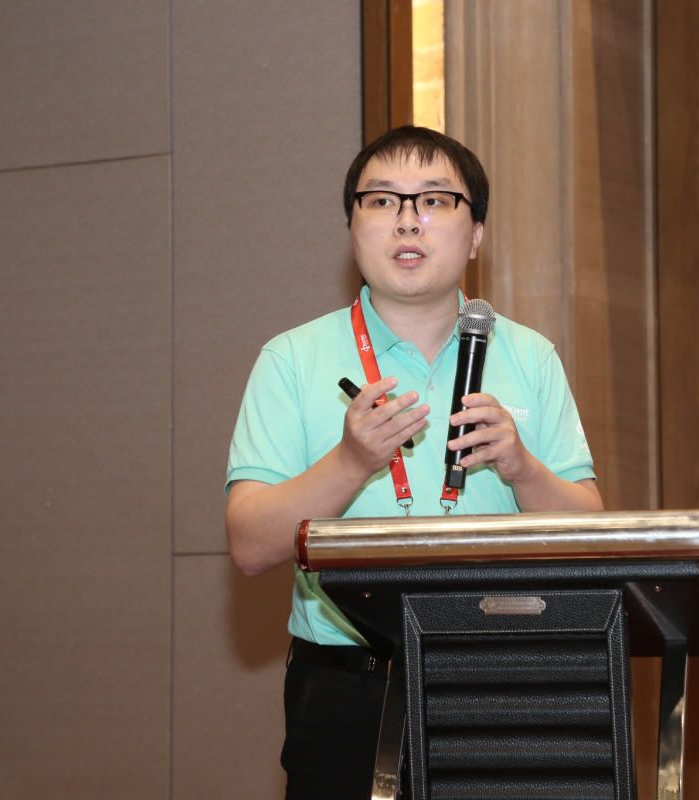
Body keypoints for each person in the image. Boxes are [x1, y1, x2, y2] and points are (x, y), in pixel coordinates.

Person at [225, 126, 603, 799]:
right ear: (352, 226)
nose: (407, 220)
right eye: (381, 200)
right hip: (348, 684)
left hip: (503, 676)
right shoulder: (292, 359)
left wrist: (522, 469)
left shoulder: (530, 356)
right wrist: (351, 460)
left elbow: (592, 535)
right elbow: (250, 545)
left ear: (476, 233)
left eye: (434, 200)